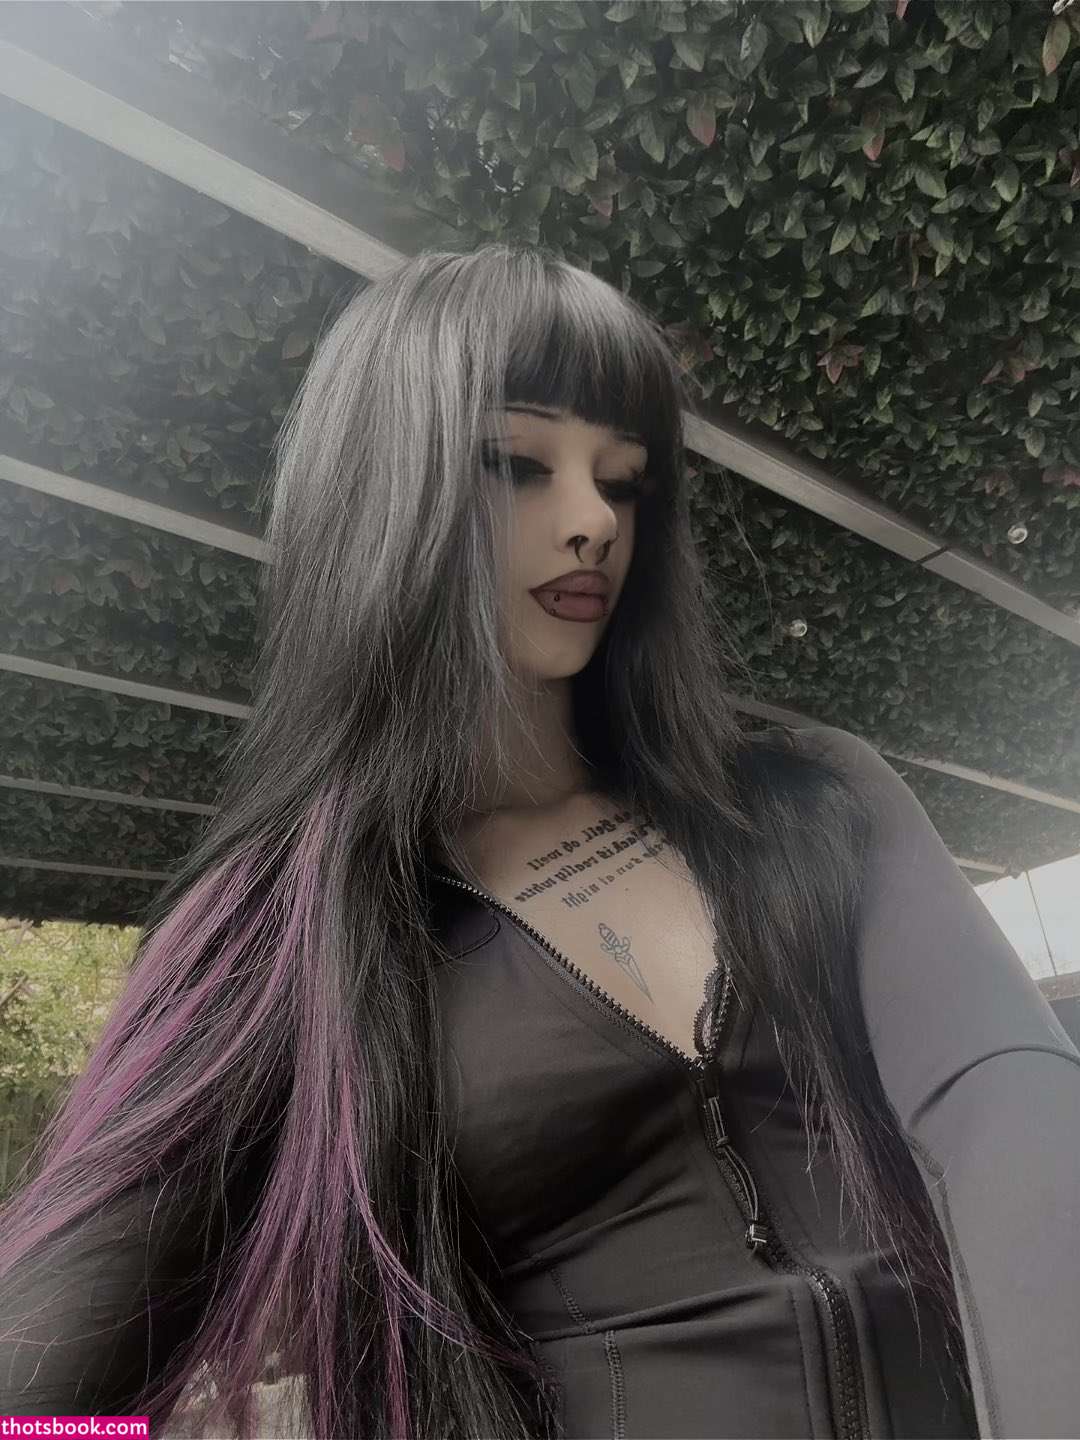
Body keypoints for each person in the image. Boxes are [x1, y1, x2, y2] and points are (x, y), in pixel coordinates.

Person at [0, 242, 1077, 1440]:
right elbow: (35, 1398)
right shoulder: (288, 931)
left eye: (624, 481)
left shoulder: (815, 802)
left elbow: (1008, 1108)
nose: (591, 523)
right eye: (516, 463)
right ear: (382, 494)